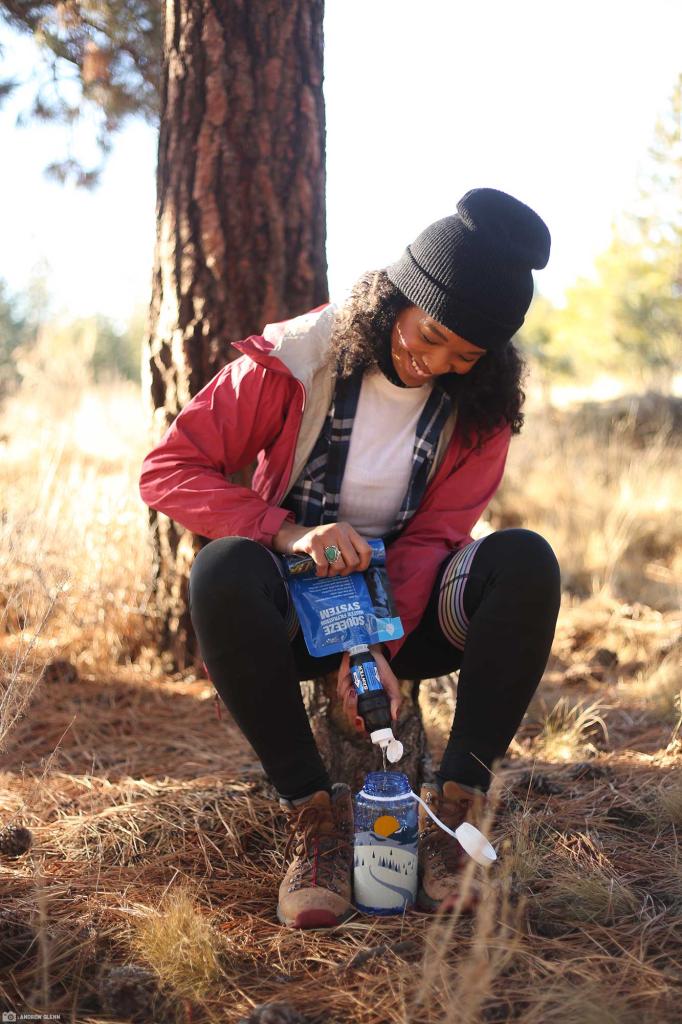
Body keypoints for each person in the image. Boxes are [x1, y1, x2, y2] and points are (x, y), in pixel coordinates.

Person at [139, 187, 561, 929]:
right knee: (223, 569)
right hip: (292, 612)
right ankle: (316, 822)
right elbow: (168, 470)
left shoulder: (481, 409)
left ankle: (457, 815)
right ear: (398, 296)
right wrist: (283, 530)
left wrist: (374, 649)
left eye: (463, 356)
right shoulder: (296, 359)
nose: (433, 364)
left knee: (525, 560)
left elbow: (434, 539)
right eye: (426, 336)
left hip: (411, 608)